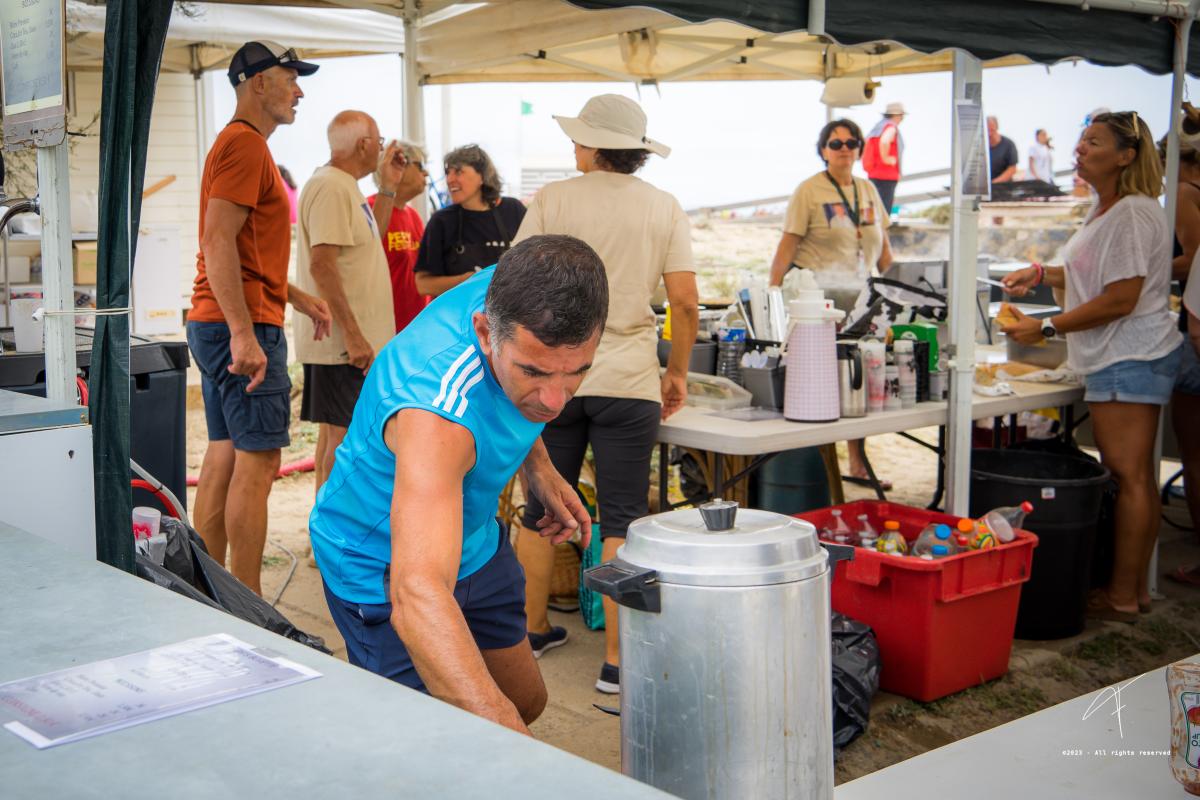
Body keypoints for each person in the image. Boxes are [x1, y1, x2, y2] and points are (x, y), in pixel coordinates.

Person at [310, 235, 608, 735]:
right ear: (483, 332)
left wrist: (537, 464)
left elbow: (534, 390)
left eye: (577, 373)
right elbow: (418, 592)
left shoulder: (516, 283)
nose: (556, 402)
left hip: (475, 540)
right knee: (425, 745)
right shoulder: (436, 416)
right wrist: (516, 749)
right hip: (379, 562)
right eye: (533, 372)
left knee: (525, 700)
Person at [512, 94, 700, 694]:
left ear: (595, 146)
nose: (573, 147)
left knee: (543, 508)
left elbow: (510, 281)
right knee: (623, 515)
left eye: (578, 138)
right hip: (629, 377)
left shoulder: (554, 198)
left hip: (554, 377)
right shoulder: (663, 206)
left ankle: (527, 634)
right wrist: (677, 373)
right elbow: (687, 302)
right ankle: (618, 664)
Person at [1002, 111, 1182, 621]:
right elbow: (1091, 273)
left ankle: (1123, 595)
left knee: (1130, 478)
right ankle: (1135, 592)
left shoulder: (1130, 213)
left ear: (1126, 155)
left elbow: (1120, 297)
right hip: (1123, 355)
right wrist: (1040, 272)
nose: (1079, 149)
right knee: (1137, 478)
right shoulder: (1107, 209)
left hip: (1128, 355)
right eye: (1080, 140)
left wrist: (1048, 327)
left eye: (1093, 142)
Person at [186, 41, 331, 597]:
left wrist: (297, 297)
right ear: (256, 83)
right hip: (237, 327)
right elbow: (217, 240)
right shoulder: (246, 147)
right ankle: (246, 604)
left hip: (218, 320)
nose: (299, 90)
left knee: (224, 451)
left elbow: (242, 251)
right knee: (260, 460)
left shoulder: (239, 146)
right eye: (289, 78)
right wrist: (246, 334)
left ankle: (209, 589)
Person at [769, 118, 894, 487]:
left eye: (851, 142)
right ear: (823, 150)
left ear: (860, 148)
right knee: (821, 378)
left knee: (858, 372)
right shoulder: (808, 191)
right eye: (835, 143)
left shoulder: (868, 189)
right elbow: (788, 244)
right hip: (817, 297)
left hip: (861, 293)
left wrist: (899, 286)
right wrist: (772, 293)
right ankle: (819, 465)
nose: (844, 149)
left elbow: (883, 247)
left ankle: (857, 461)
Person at [294, 111, 400, 493]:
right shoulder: (332, 187)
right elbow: (322, 265)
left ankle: (325, 537)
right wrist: (353, 336)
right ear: (363, 145)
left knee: (334, 440)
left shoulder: (344, 186)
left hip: (350, 342)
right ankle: (330, 539)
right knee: (342, 443)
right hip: (344, 345)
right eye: (380, 139)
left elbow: (372, 239)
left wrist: (387, 187)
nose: (383, 147)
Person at [414, 144, 525, 297]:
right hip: (458, 316)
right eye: (448, 172)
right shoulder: (441, 221)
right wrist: (466, 280)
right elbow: (423, 285)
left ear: (482, 176)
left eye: (458, 171)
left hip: (507, 315)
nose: (450, 179)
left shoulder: (513, 210)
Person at [1164, 118, 1200, 588]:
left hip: (1195, 327)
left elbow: (1195, 258)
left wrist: (1148, 266)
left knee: (1194, 452)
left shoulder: (1185, 192)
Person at [367, 139, 429, 332]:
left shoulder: (414, 216)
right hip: (382, 328)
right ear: (398, 165)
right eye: (420, 166)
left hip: (415, 327)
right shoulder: (369, 210)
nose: (425, 173)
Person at [862, 101, 905, 211]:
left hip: (873, 174)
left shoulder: (877, 128)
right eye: (901, 115)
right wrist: (886, 158)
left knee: (874, 209)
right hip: (887, 176)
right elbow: (885, 141)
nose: (902, 118)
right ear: (896, 115)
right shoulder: (890, 127)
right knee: (884, 211)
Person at [988, 116, 1019, 184]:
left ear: (997, 127)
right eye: (987, 129)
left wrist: (994, 183)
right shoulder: (981, 146)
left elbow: (1012, 169)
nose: (989, 133)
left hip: (1004, 187)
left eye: (992, 128)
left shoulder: (1009, 144)